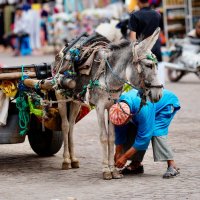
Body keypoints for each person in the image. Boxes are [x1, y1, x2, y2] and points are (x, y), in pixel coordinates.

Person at [110, 89, 180, 178]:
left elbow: (144, 138)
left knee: (156, 131)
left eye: (125, 121)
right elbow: (119, 130)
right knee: (131, 128)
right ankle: (136, 164)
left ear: (130, 115)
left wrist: (124, 157)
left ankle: (172, 165)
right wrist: (118, 152)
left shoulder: (143, 110)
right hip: (143, 108)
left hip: (164, 104)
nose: (122, 124)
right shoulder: (118, 107)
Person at [128, 0, 165, 84]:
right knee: (158, 77)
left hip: (142, 51)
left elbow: (133, 38)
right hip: (156, 49)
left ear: (138, 3)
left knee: (142, 79)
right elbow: (160, 32)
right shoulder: (157, 14)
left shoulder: (134, 15)